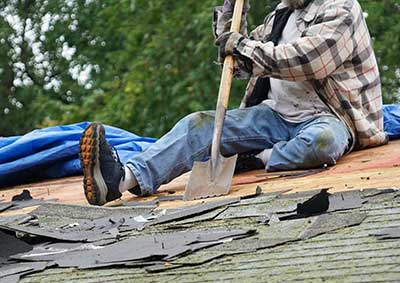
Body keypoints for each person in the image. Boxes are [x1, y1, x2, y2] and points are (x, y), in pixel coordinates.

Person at [80, 0, 388, 206]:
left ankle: (258, 157)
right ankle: (120, 179)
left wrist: (242, 46)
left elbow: (309, 61)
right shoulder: (281, 16)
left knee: (322, 142)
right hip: (276, 117)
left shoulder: (342, 8)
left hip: (330, 117)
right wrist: (229, 17)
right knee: (199, 125)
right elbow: (238, 61)